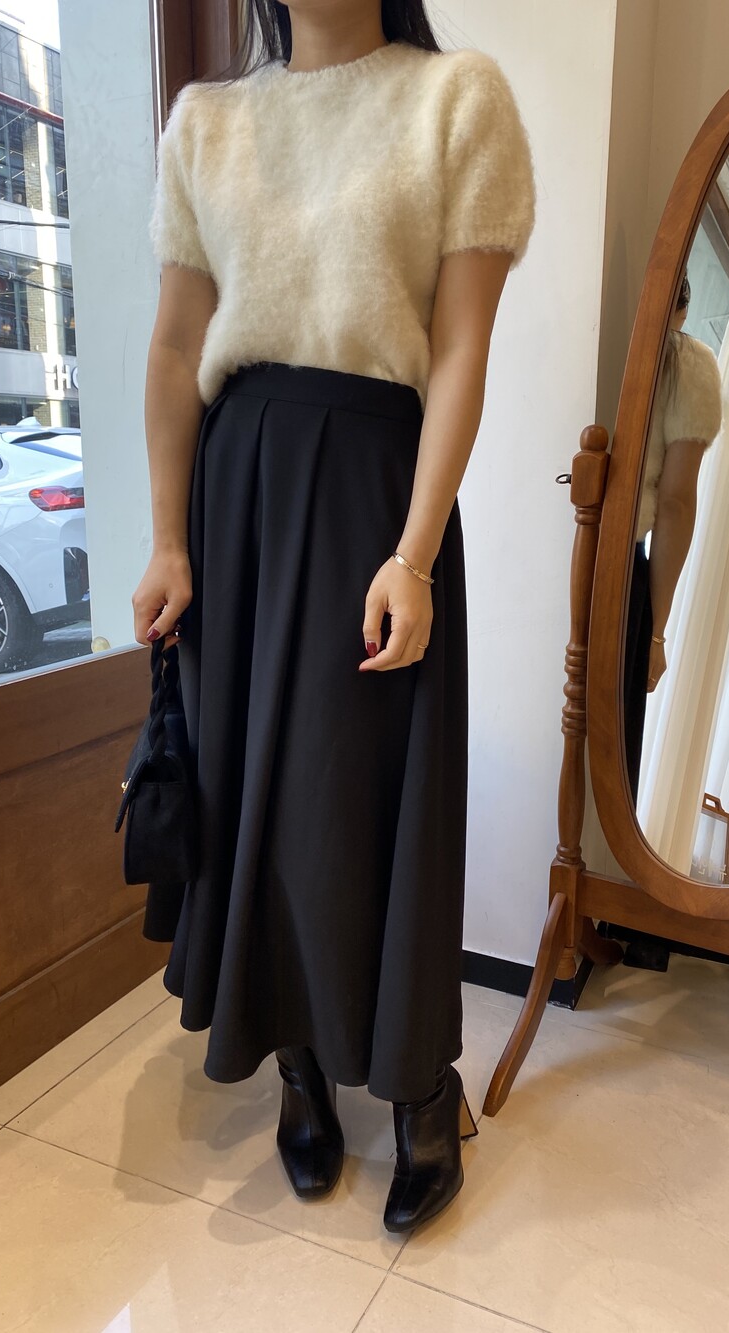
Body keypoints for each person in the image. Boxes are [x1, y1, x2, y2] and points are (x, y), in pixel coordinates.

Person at [131, 0, 535, 1234]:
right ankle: (297, 1065)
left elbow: (459, 350)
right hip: (236, 499)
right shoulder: (205, 122)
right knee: (252, 794)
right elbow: (176, 346)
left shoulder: (455, 99)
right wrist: (168, 537)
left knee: (363, 800)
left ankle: (418, 1086)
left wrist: (414, 551)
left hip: (373, 493)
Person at [623, 274, 723, 804]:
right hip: (621, 576)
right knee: (607, 754)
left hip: (539, 550)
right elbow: (676, 501)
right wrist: (655, 636)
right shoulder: (687, 362)